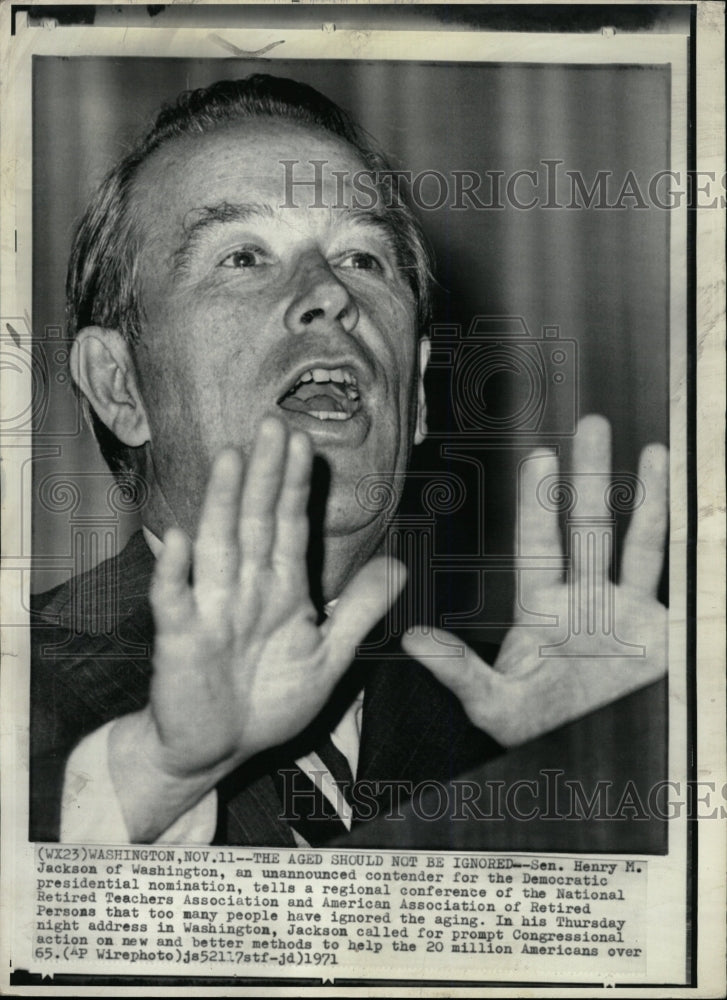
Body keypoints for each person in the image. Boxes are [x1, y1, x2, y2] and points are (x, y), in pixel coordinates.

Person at [30, 74, 668, 846]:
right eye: (241, 256)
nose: (329, 293)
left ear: (420, 394)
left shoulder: (501, 721)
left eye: (362, 257)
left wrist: (622, 756)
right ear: (118, 384)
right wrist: (159, 774)